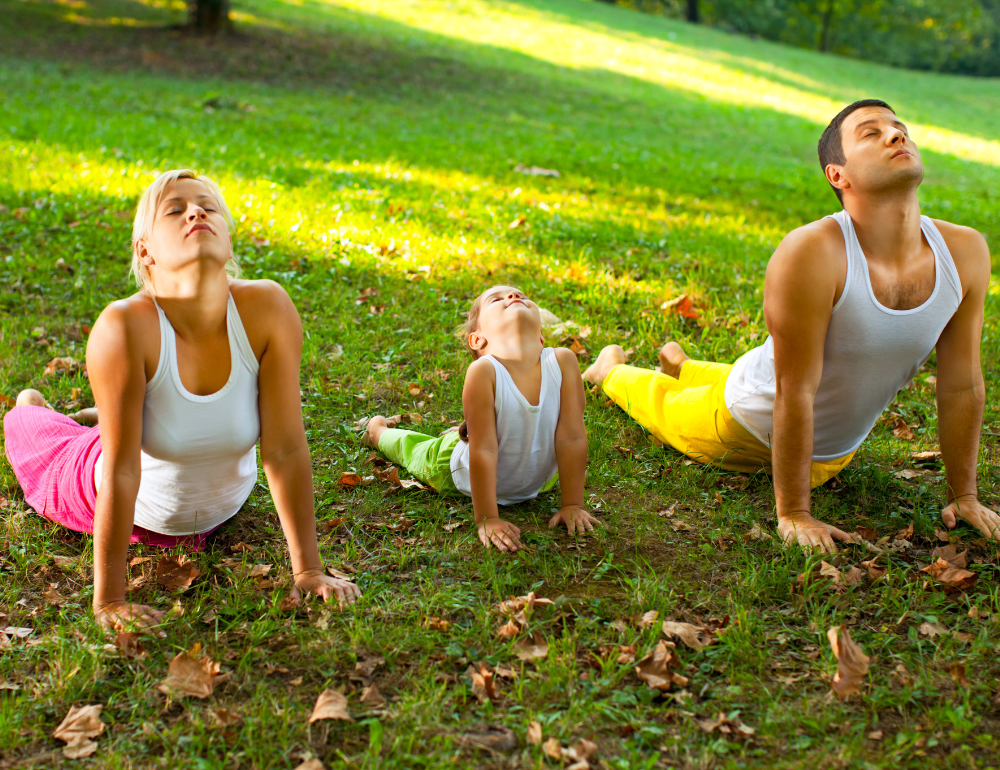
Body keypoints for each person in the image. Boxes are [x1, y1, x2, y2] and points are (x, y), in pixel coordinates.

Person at [584, 99, 998, 552]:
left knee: (751, 370)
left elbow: (961, 385)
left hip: (831, 449)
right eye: (870, 133)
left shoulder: (964, 251)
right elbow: (794, 391)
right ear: (838, 176)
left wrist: (966, 497)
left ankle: (682, 362)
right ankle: (610, 370)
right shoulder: (813, 251)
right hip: (746, 427)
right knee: (663, 399)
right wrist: (795, 514)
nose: (897, 136)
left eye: (900, 128)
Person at [3, 169, 360, 634]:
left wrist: (308, 570)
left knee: (132, 423)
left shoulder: (268, 308)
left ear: (228, 241)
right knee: (26, 423)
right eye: (175, 210)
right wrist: (109, 600)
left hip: (214, 513)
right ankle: (39, 409)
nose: (196, 212)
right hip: (100, 487)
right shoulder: (124, 327)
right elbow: (121, 468)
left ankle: (101, 415)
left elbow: (285, 448)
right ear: (144, 251)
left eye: (208, 207)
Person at [362, 285, 598, 552]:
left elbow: (572, 437)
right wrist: (488, 519)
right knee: (413, 449)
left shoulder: (563, 361)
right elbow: (484, 448)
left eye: (521, 295)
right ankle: (377, 430)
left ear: (542, 336)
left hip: (536, 481)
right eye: (496, 299)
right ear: (477, 340)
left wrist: (572, 505)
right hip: (459, 473)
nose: (513, 297)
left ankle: (461, 429)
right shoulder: (484, 371)